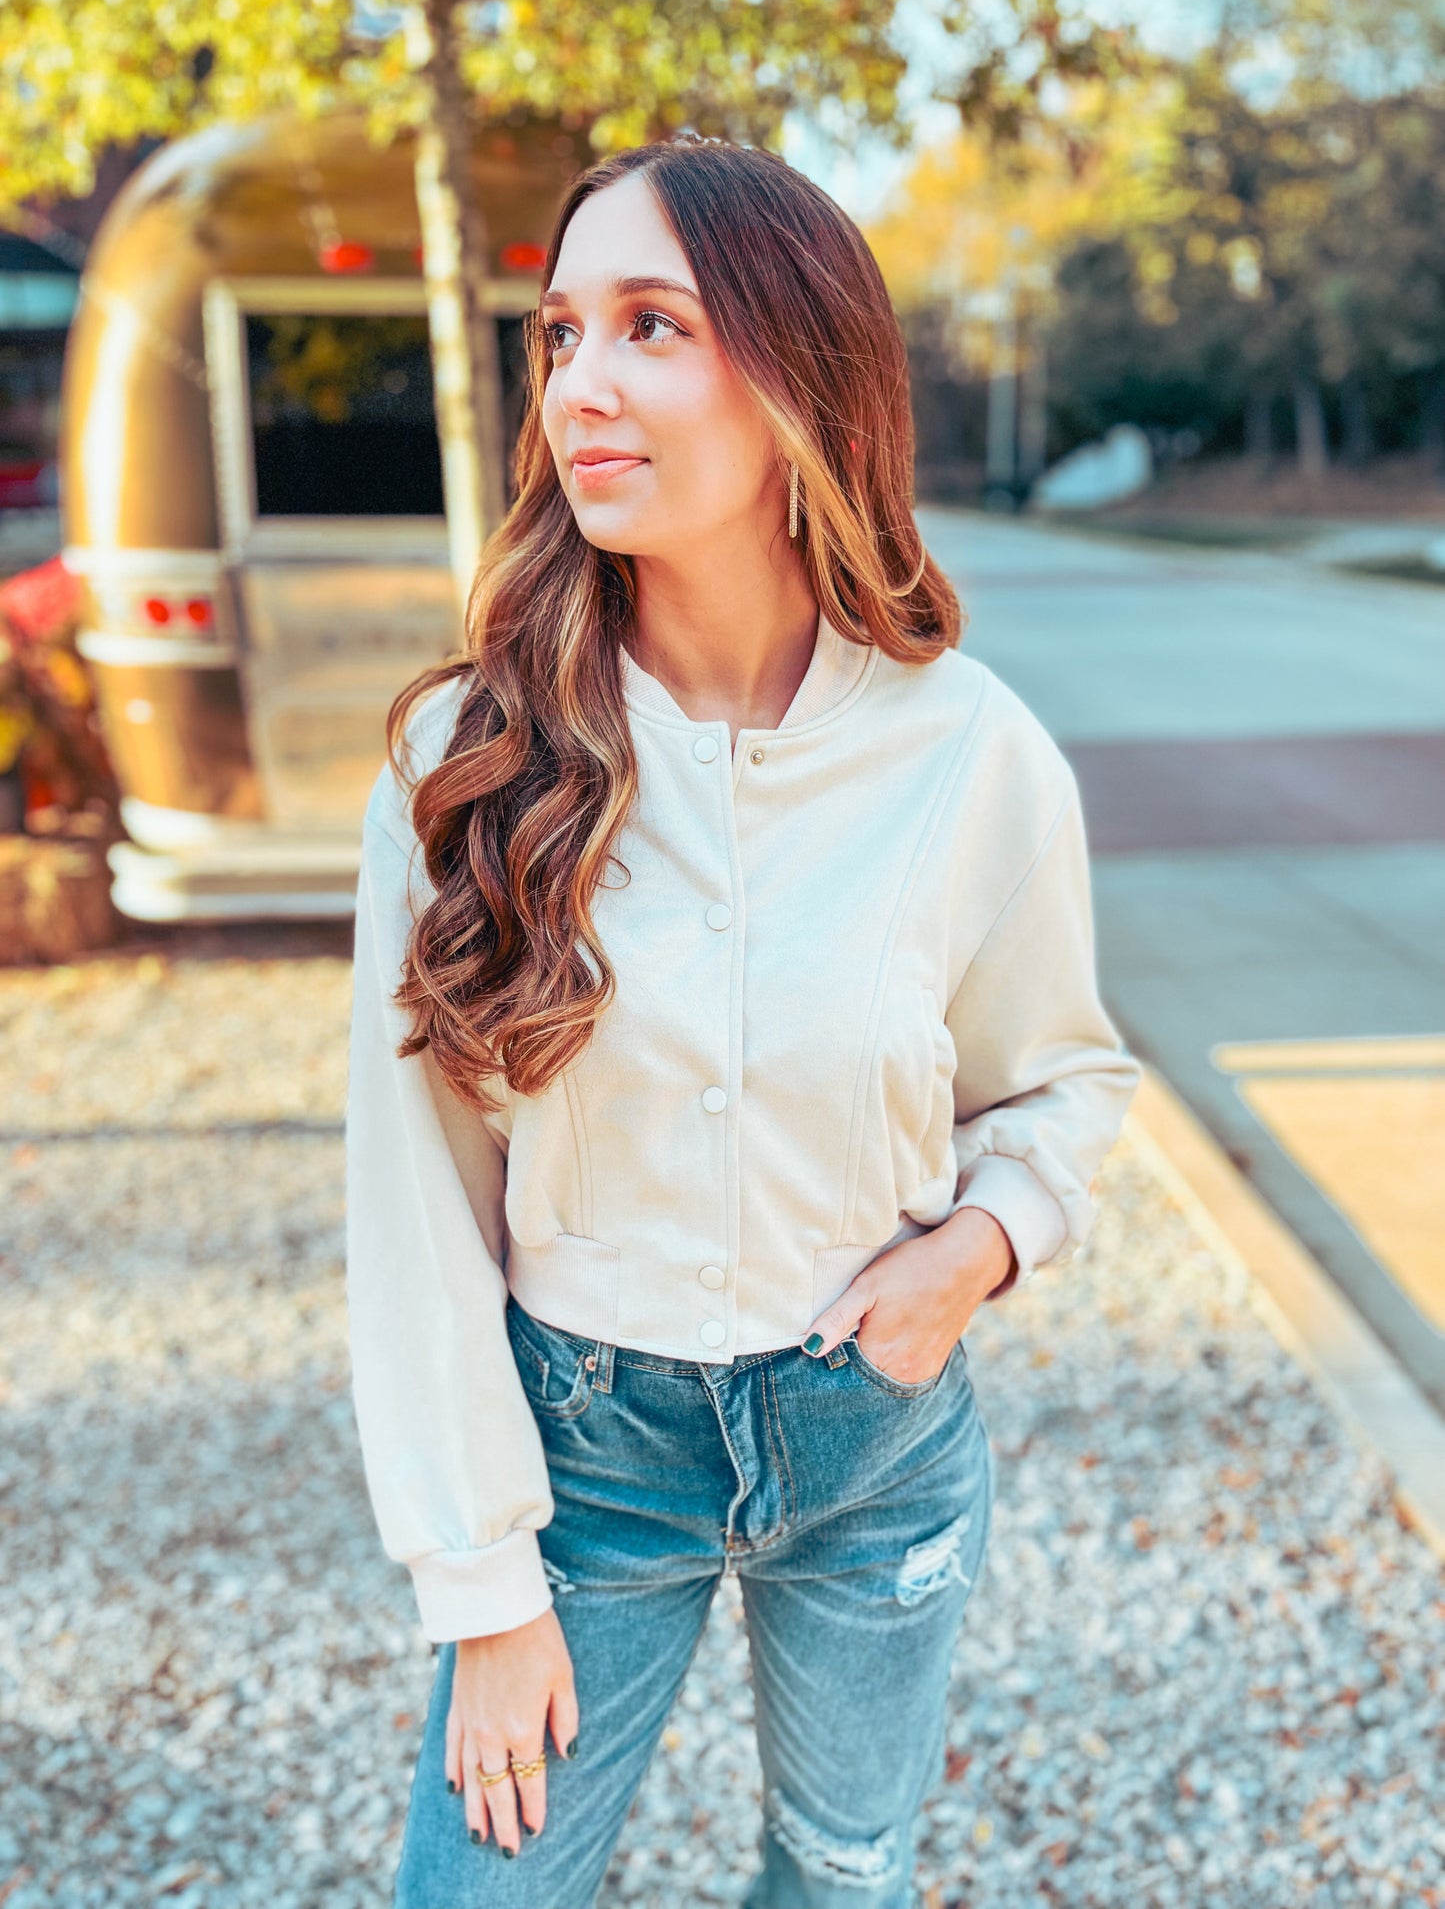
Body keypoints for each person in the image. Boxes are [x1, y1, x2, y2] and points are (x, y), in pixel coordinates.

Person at [344, 133, 1140, 1909]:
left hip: (875, 1443)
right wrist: (482, 1587)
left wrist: (981, 1248)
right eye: (561, 334)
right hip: (583, 1461)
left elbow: (1063, 1079)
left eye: (649, 327)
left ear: (799, 376)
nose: (581, 388)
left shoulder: (965, 750)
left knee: (843, 1876)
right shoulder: (461, 762)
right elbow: (410, 1207)